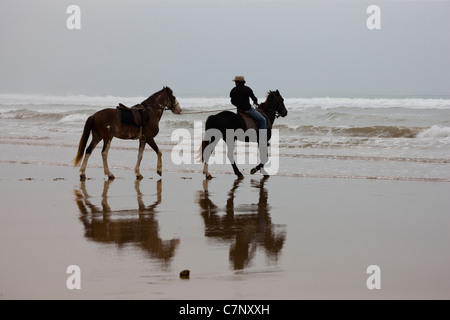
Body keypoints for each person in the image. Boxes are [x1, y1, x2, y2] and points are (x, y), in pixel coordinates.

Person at [230, 76, 267, 144]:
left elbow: (232, 101)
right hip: (248, 110)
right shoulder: (247, 89)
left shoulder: (233, 90)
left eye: (235, 82)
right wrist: (255, 104)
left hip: (239, 111)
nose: (235, 83)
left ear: (237, 82)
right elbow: (254, 99)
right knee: (263, 120)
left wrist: (238, 106)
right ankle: (261, 140)